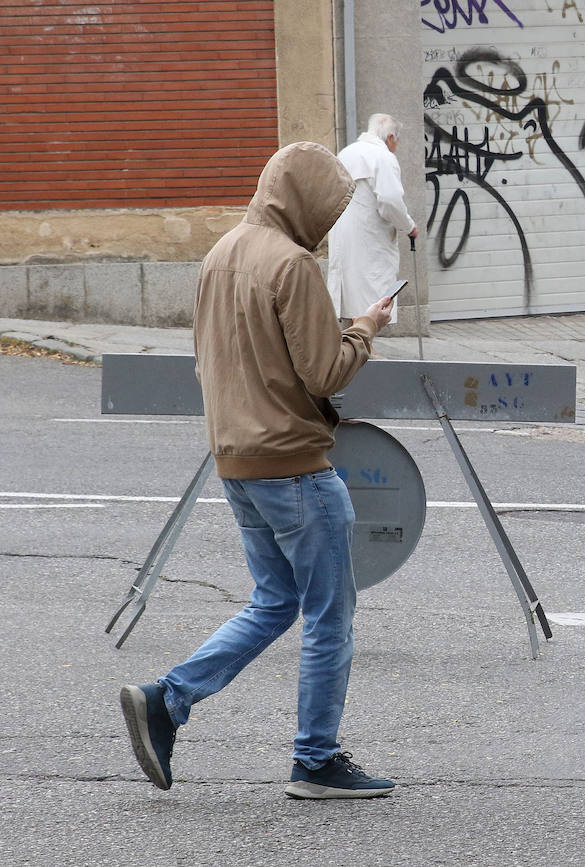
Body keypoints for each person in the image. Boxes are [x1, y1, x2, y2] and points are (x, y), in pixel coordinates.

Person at [119, 141, 398, 800]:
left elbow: (216, 358)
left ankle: (167, 699)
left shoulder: (220, 253)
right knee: (331, 615)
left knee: (275, 599)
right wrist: (363, 328)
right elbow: (324, 372)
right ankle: (316, 759)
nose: (327, 227)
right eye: (326, 211)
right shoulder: (292, 262)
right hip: (295, 464)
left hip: (236, 460)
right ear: (302, 201)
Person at [327, 113, 418, 325]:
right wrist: (409, 225)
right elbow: (390, 200)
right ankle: (366, 345)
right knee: (370, 290)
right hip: (369, 236)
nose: (396, 145)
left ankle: (356, 342)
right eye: (397, 140)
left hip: (342, 232)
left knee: (351, 289)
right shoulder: (382, 157)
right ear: (391, 136)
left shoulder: (345, 153)